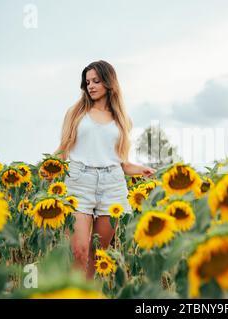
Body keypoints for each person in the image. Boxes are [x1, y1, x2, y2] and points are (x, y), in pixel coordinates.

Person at [44, 60, 155, 279]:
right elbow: (64, 149)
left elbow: (121, 162)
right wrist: (50, 168)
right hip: (78, 182)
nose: (91, 86)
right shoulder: (76, 113)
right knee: (79, 252)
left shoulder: (122, 120)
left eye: (96, 81)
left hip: (112, 185)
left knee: (97, 255)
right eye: (87, 82)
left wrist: (141, 170)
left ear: (109, 82)